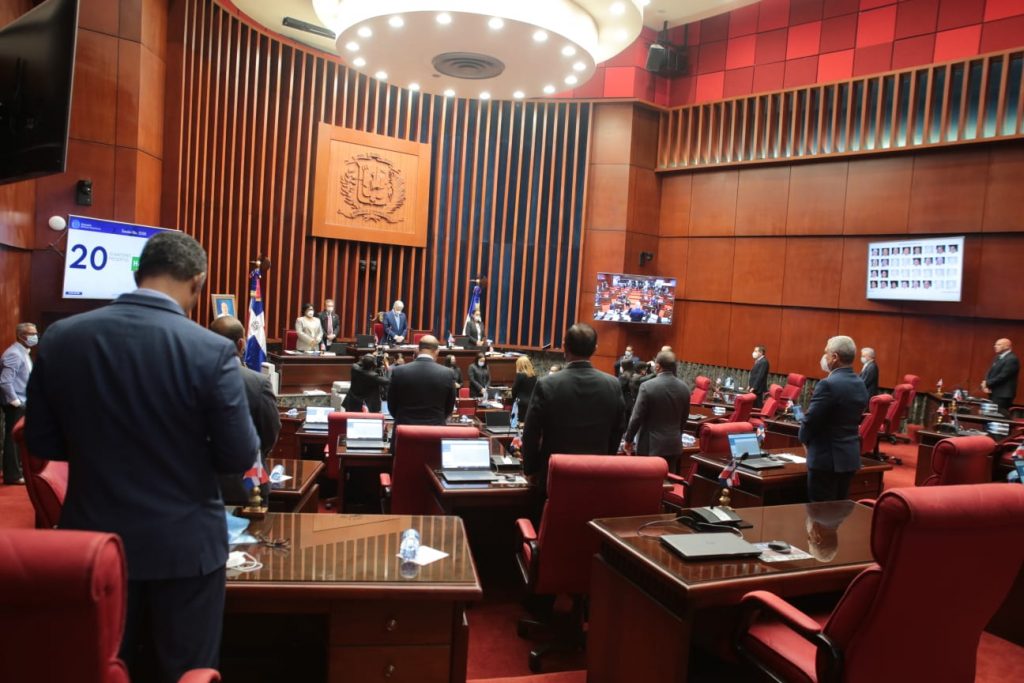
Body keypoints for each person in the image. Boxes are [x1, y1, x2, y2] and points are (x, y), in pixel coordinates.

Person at [25, 231, 258, 681]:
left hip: (93, 545)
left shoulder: (62, 338)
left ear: (136, 274)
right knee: (183, 673)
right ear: (198, 282)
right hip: (186, 551)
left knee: (102, 668)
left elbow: (43, 445)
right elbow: (238, 455)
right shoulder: (209, 350)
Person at [522, 323, 625, 498]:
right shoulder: (612, 384)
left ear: (564, 346)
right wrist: (606, 461)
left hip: (554, 477)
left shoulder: (547, 384)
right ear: (595, 349)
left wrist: (531, 470)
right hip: (596, 475)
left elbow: (531, 432)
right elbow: (618, 430)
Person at [208, 316, 282, 506]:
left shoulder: (188, 376)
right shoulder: (257, 383)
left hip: (198, 482)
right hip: (249, 482)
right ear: (241, 343)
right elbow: (270, 431)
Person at [798, 335, 869, 502]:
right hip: (849, 458)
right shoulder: (859, 383)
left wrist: (804, 439)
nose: (824, 357)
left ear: (835, 357)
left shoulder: (828, 384)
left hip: (825, 460)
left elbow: (810, 421)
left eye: (826, 353)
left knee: (821, 516)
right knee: (837, 513)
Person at [623, 351, 691, 460]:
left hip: (650, 447)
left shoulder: (647, 387)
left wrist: (628, 439)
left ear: (658, 367)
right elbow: (684, 418)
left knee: (647, 477)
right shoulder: (685, 388)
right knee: (669, 477)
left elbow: (637, 417)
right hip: (674, 445)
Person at [387, 335, 456, 427]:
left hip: (405, 430)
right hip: (435, 430)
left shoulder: (399, 371)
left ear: (418, 349)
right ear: (437, 352)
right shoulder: (448, 373)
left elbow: (391, 405)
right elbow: (449, 408)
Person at [1, 321, 37, 485]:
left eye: (35, 332)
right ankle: (12, 475)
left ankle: (16, 470)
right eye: (31, 333)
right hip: (15, 404)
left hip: (23, 401)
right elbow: (5, 382)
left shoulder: (23, 352)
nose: (35, 336)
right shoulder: (14, 354)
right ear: (21, 335)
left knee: (18, 439)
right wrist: (16, 402)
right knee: (12, 439)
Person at [982, 338, 1019, 412]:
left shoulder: (1012, 359)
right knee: (989, 415)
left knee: (997, 417)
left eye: (998, 344)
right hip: (994, 393)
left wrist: (987, 383)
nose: (995, 346)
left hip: (1003, 395)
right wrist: (985, 382)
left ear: (1007, 346)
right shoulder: (998, 357)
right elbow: (990, 371)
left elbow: (1003, 376)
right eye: (995, 344)